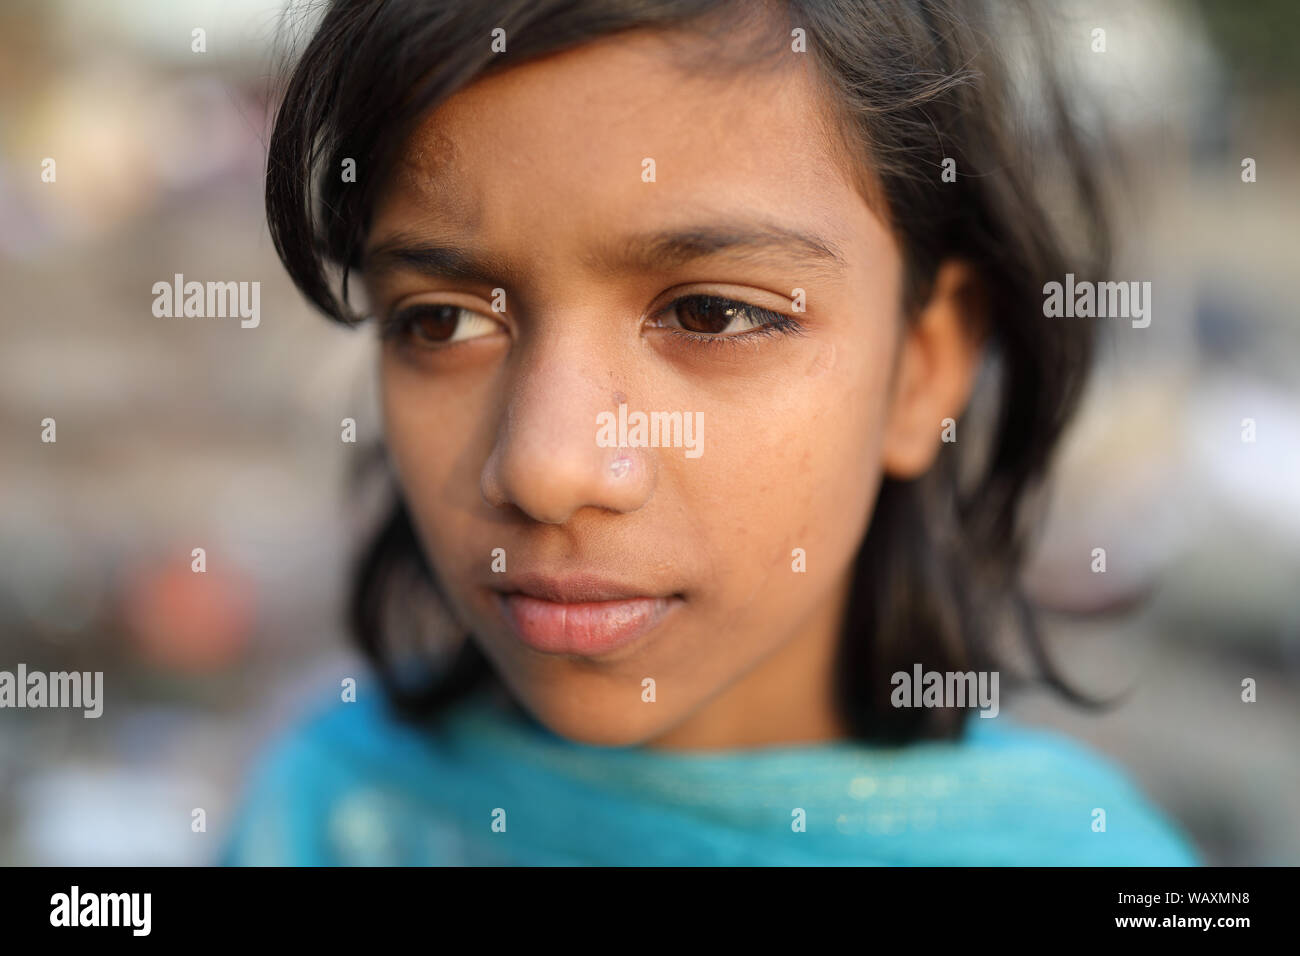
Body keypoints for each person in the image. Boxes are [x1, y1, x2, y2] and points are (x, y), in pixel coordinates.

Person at [222, 0, 1199, 865]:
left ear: (921, 367)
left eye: (713, 315)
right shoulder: (329, 810)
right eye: (441, 319)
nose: (544, 468)